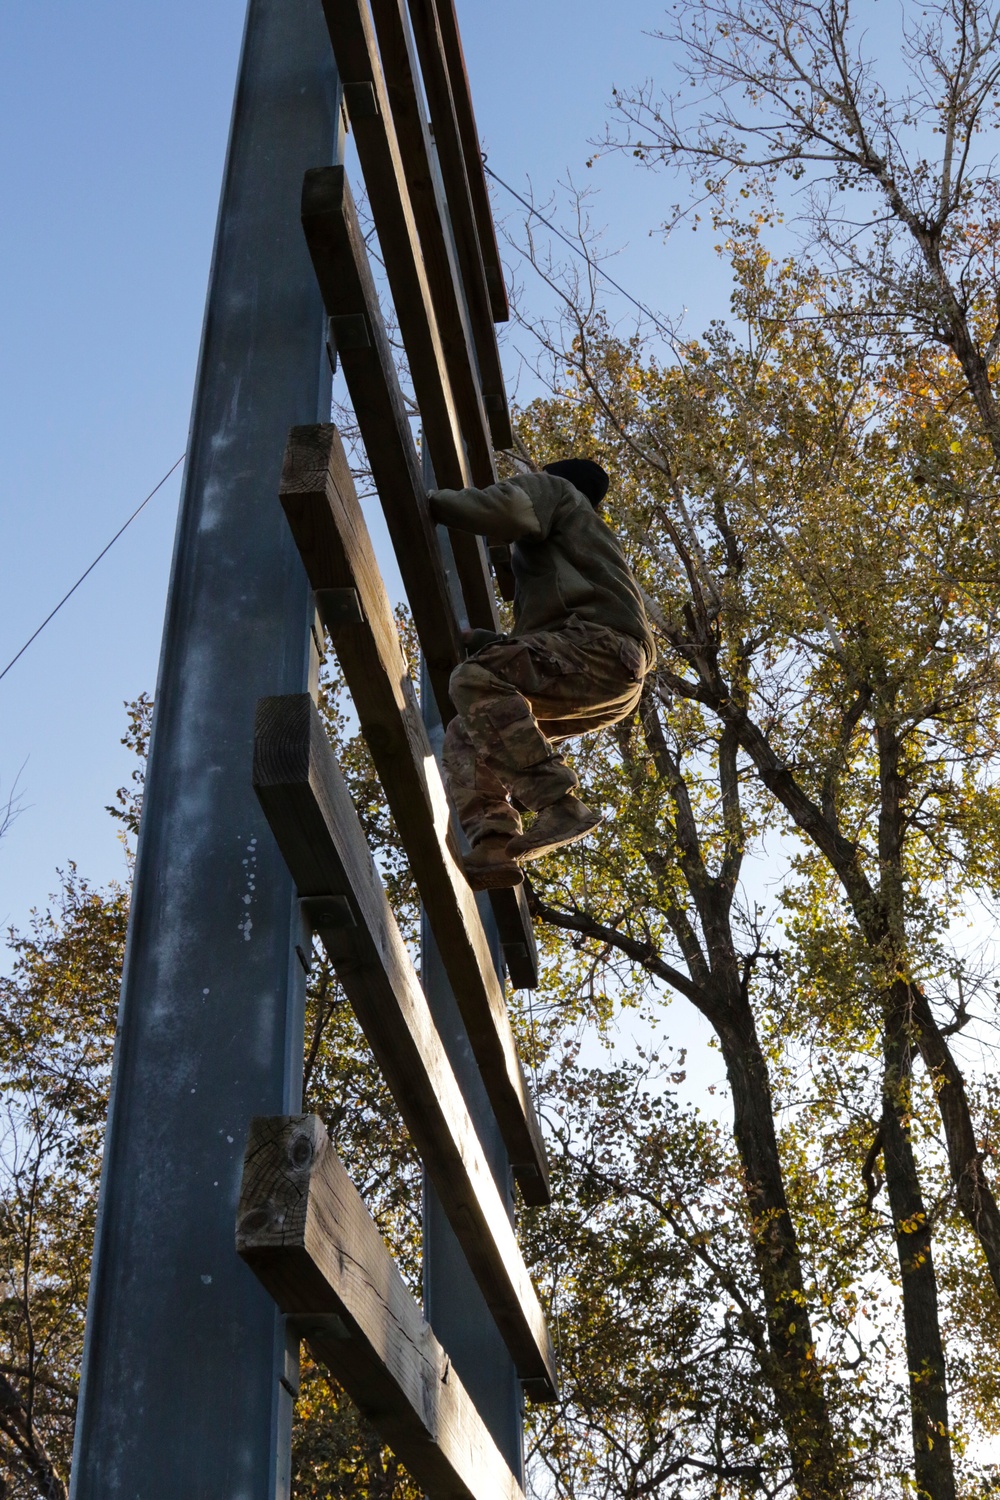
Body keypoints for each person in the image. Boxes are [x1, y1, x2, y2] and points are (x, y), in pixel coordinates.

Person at [428, 458, 655, 890]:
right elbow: (541, 645)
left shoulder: (559, 493)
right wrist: (485, 640)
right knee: (469, 730)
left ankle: (557, 802)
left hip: (599, 647)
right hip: (616, 682)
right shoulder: (584, 544)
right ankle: (495, 840)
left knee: (472, 679)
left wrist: (431, 503)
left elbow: (509, 508)